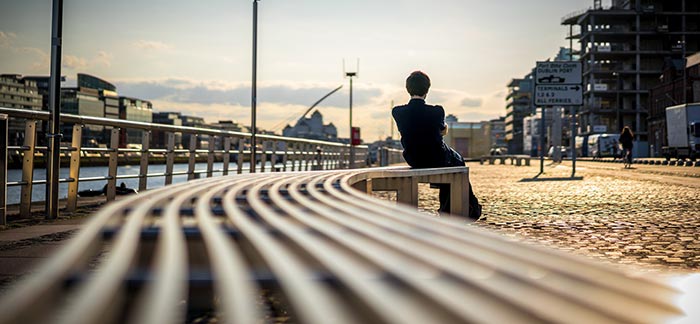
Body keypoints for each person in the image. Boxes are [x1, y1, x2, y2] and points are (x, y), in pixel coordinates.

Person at [392, 71, 482, 220]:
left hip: (413, 158)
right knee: (458, 161)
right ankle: (465, 207)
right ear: (427, 90)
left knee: (453, 163)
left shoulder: (398, 112)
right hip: (436, 157)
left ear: (407, 89)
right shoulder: (437, 111)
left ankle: (459, 208)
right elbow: (442, 131)